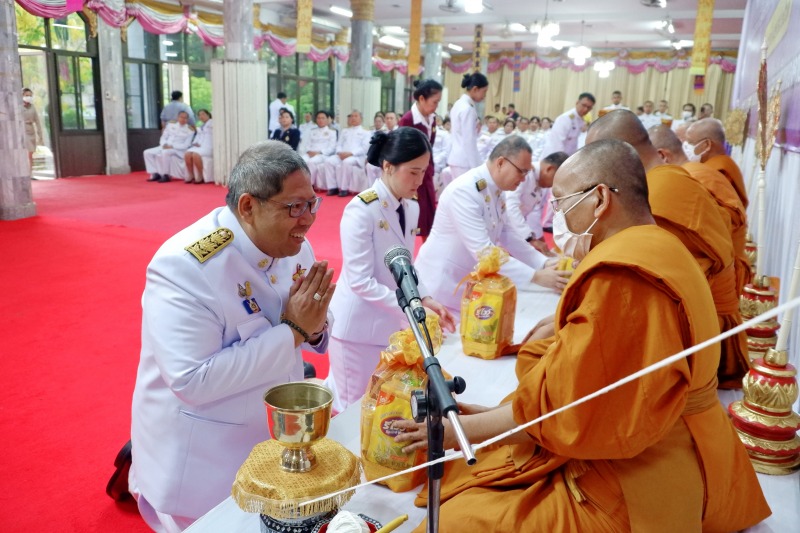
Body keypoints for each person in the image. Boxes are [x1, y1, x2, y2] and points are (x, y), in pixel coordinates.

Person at [395, 139, 771, 533]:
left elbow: (565, 409)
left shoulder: (624, 278)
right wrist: (479, 417)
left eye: (561, 203)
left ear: (601, 199)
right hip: (660, 440)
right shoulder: (660, 246)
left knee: (461, 520)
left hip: (639, 473)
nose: (557, 215)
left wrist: (459, 431)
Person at [126, 141, 334, 531]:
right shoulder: (185, 266)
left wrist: (316, 324)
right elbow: (192, 380)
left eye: (312, 203)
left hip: (276, 438)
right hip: (207, 457)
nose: (307, 220)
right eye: (293, 207)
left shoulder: (294, 245)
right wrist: (294, 330)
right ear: (248, 207)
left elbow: (312, 322)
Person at [586, 110, 749, 389]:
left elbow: (645, 293)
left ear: (620, 153)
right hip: (699, 322)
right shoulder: (667, 179)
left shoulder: (662, 194)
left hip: (698, 341)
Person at [327, 128, 456, 410]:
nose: (420, 181)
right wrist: (412, 310)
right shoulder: (361, 210)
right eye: (413, 172)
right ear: (388, 166)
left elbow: (405, 265)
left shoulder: (409, 208)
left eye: (424, 172)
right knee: (354, 408)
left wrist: (425, 298)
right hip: (356, 331)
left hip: (385, 326)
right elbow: (360, 281)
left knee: (379, 407)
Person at [415, 136, 570, 314]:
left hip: (465, 281)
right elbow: (484, 251)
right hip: (440, 284)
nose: (523, 178)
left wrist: (542, 263)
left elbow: (507, 234)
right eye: (521, 171)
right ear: (501, 163)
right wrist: (534, 276)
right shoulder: (464, 191)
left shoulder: (496, 189)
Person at [649, 125, 750, 293]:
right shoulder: (696, 173)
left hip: (716, 276)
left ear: (662, 155)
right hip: (717, 271)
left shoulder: (691, 180)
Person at [399, 79, 444, 239]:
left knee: (429, 216)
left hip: (427, 173)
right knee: (411, 216)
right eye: (435, 102)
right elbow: (402, 153)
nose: (436, 106)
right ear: (422, 99)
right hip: (412, 175)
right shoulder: (408, 121)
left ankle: (429, 255)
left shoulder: (431, 119)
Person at [506, 151, 569, 257]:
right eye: (555, 180)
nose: (552, 185)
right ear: (549, 169)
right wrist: (529, 238)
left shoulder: (540, 179)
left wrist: (539, 238)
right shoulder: (525, 173)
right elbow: (511, 207)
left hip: (512, 227)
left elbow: (534, 213)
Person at [685, 118, 749, 209]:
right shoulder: (708, 165)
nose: (686, 147)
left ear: (707, 144)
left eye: (690, 143)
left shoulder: (720, 170)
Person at [448, 72, 489, 179]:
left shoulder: (458, 104)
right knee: (465, 195)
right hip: (464, 162)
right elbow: (468, 140)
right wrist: (476, 167)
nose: (484, 96)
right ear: (475, 89)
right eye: (484, 92)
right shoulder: (467, 109)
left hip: (457, 158)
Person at [323, 110, 371, 197]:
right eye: (352, 116)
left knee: (347, 162)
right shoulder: (345, 131)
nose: (353, 118)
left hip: (356, 157)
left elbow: (364, 148)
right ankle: (332, 187)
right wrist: (339, 152)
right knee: (328, 161)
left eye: (356, 116)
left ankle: (344, 188)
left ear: (361, 119)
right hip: (342, 155)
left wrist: (350, 153)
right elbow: (339, 144)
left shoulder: (366, 132)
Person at [145, 111, 195, 182]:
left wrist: (172, 146)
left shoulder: (190, 130)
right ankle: (155, 173)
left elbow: (186, 145)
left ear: (188, 119)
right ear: (178, 117)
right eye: (181, 117)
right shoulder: (171, 125)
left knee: (165, 152)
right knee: (147, 152)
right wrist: (164, 144)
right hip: (165, 146)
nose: (183, 119)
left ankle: (166, 175)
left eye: (185, 118)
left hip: (178, 150)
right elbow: (164, 137)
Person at [540, 92, 595, 157]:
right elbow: (557, 142)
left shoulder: (581, 120)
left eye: (589, 107)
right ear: (577, 102)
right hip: (554, 157)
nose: (586, 109)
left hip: (567, 157)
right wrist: (560, 160)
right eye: (584, 105)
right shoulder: (565, 118)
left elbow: (574, 143)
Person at [299, 110, 337, 190]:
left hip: (322, 154)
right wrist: (309, 151)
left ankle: (309, 186)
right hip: (310, 153)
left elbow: (332, 148)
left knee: (311, 162)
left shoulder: (332, 132)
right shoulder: (312, 131)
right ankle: (300, 184)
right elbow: (307, 144)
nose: (320, 120)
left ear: (327, 119)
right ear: (316, 120)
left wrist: (319, 152)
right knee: (301, 161)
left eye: (323, 118)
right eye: (318, 118)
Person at [183, 109, 213, 184]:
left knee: (196, 155)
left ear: (208, 114)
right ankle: (191, 174)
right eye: (199, 115)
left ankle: (200, 175)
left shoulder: (212, 123)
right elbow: (197, 138)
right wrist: (195, 143)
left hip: (209, 147)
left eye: (203, 114)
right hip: (200, 147)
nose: (201, 116)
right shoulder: (200, 127)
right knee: (187, 154)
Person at [21, 87, 44, 171]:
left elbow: (37, 121)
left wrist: (40, 135)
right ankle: (24, 172)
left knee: (30, 154)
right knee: (24, 153)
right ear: (22, 95)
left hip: (31, 131)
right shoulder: (18, 107)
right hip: (22, 131)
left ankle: (29, 173)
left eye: (30, 96)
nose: (28, 97)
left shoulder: (32, 107)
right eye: (27, 95)